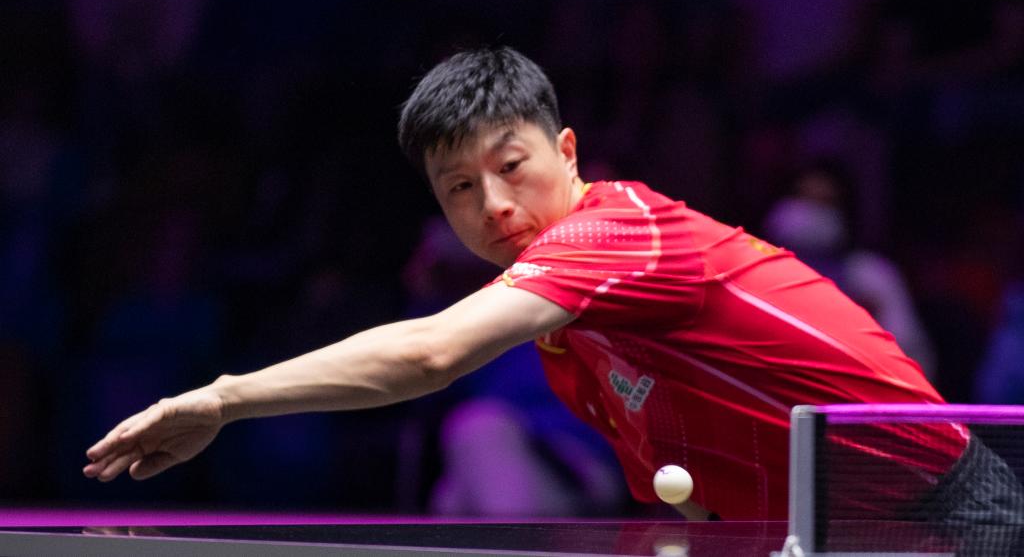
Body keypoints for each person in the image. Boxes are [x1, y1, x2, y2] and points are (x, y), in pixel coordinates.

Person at [84, 48, 1020, 530]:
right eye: (459, 187)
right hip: (835, 530)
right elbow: (694, 498)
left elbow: (430, 352)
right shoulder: (572, 348)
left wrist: (223, 398)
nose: (493, 205)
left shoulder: (617, 230)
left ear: (567, 151)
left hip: (952, 514)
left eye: (511, 165)